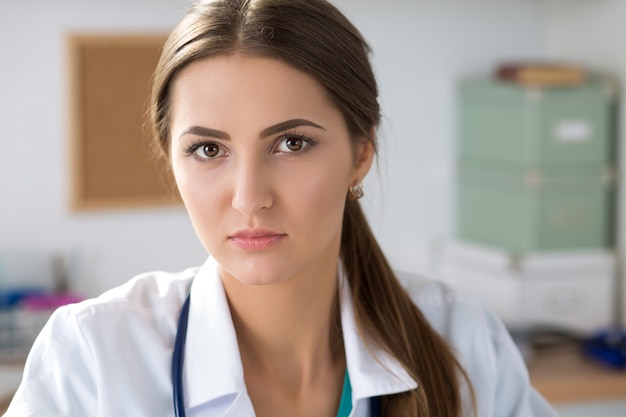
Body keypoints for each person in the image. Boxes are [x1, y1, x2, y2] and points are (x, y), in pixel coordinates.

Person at [5, 0, 558, 416]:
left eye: (291, 143)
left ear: (361, 153)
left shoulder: (462, 342)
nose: (249, 197)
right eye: (208, 150)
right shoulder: (92, 359)